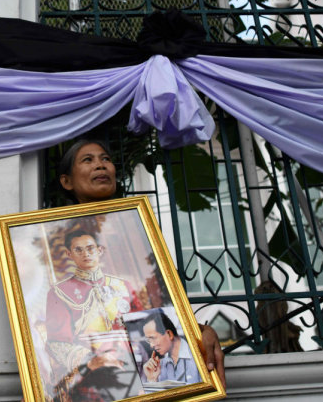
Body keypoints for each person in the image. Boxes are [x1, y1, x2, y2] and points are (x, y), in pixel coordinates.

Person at [55, 140, 226, 388]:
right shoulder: (51, 243)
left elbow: (162, 307)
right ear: (67, 181)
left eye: (105, 159)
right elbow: (54, 337)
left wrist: (198, 331)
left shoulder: (139, 232)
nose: (100, 166)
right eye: (88, 160)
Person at [44, 228, 144, 401]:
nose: (86, 254)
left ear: (99, 250)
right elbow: (57, 343)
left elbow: (143, 329)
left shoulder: (123, 286)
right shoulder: (59, 293)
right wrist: (91, 360)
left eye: (90, 248)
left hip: (132, 361)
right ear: (69, 254)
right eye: (78, 250)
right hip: (92, 369)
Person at [141, 310, 201, 385]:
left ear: (169, 334)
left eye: (153, 338)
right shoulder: (159, 366)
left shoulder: (198, 353)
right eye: (148, 340)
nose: (151, 345)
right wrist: (152, 379)